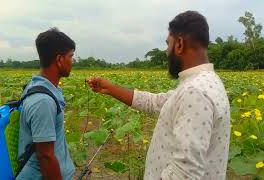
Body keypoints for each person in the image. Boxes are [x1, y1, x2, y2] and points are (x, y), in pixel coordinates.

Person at [88, 11, 230, 180]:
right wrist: (110, 88)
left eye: (167, 44)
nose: (166, 51)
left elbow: (184, 175)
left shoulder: (195, 92)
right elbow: (154, 102)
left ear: (179, 44)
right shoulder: (203, 83)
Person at [16, 28, 75, 180]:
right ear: (59, 59)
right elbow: (46, 156)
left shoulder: (36, 86)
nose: (72, 61)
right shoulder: (43, 101)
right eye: (71, 56)